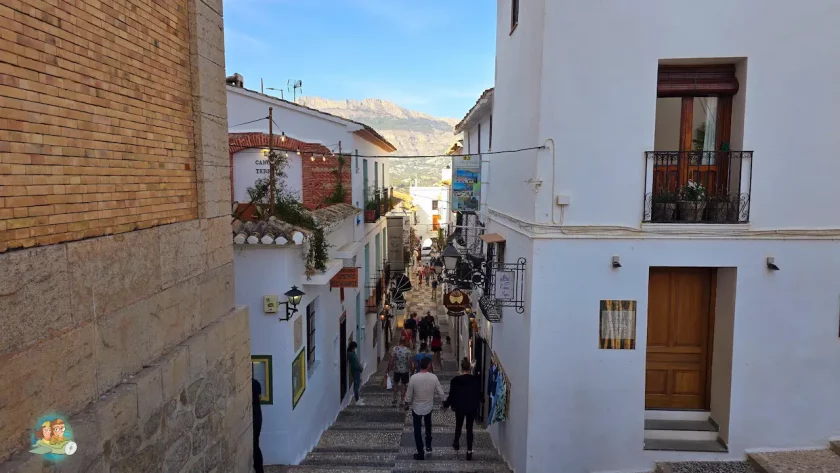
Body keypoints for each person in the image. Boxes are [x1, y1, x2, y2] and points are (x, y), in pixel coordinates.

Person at [405, 357, 446, 460]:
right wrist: (443, 403)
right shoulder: (433, 377)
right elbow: (440, 392)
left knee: (417, 430)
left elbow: (409, 394)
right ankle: (428, 445)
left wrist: (406, 402)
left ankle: (420, 452)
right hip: (428, 406)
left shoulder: (414, 378)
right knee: (428, 427)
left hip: (416, 408)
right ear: (428, 365)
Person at [443, 358, 482, 461]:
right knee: (469, 429)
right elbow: (478, 393)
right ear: (470, 368)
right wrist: (482, 400)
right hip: (471, 407)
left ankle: (456, 441)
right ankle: (469, 450)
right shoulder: (475, 380)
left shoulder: (455, 380)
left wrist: (446, 405)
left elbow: (451, 396)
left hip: (460, 407)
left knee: (458, 425)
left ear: (462, 368)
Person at [387, 337, 413, 406]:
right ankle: (402, 400)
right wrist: (411, 369)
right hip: (405, 370)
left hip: (396, 370)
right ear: (405, 342)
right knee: (403, 385)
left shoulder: (395, 349)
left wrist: (389, 368)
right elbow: (409, 361)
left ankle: (394, 398)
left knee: (395, 384)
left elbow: (391, 360)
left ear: (399, 341)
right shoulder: (408, 350)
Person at [252, 377, 265, 473]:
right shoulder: (255, 383)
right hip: (257, 418)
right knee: (255, 444)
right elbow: (259, 397)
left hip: (255, 419)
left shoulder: (254, 383)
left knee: (255, 446)